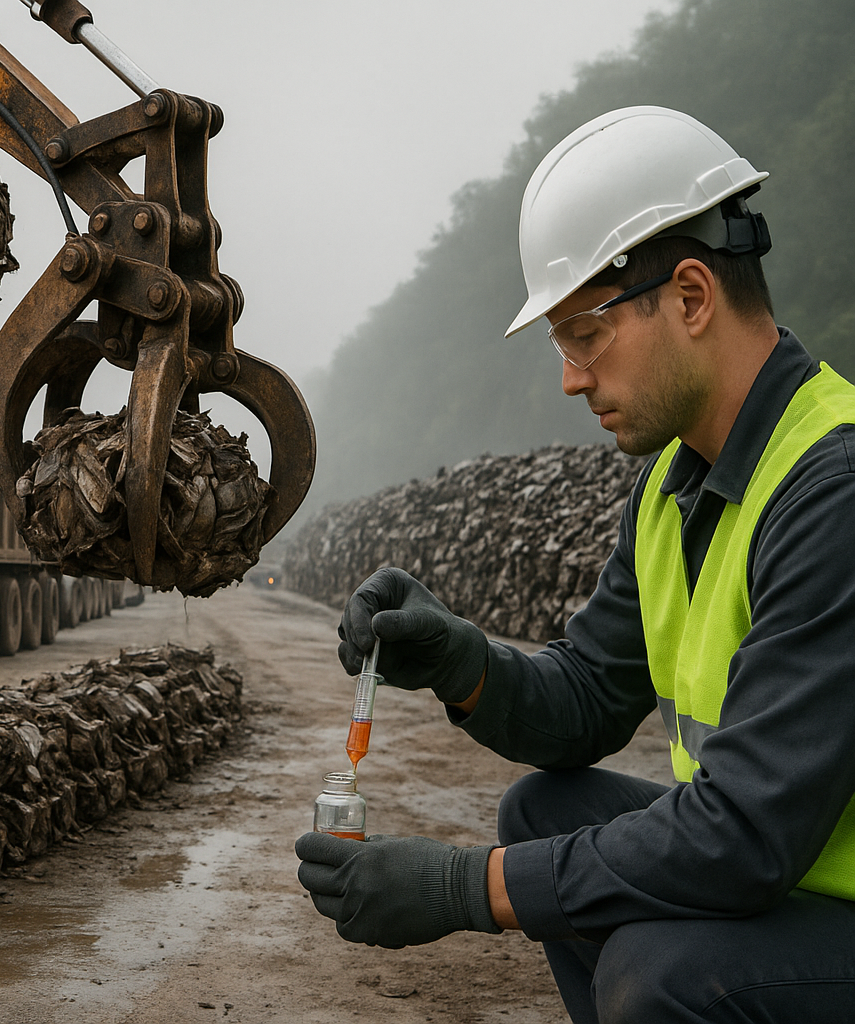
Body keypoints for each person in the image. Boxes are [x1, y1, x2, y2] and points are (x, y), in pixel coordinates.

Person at [295, 105, 855, 1023]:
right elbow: (589, 700)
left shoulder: (831, 490)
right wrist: (461, 661)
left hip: (797, 878)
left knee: (660, 971)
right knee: (543, 813)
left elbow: (745, 834)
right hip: (793, 882)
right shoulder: (675, 483)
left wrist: (466, 888)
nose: (571, 377)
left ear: (691, 297)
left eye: (585, 335)